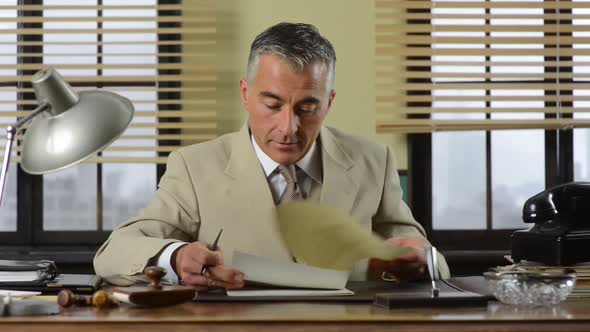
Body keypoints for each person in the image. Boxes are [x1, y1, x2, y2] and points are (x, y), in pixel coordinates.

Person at [94, 22, 450, 289]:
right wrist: (175, 256)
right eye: (272, 104)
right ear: (245, 94)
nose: (289, 126)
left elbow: (429, 257)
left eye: (308, 106)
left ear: (329, 102)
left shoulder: (375, 160)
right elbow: (114, 252)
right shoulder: (193, 167)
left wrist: (420, 260)